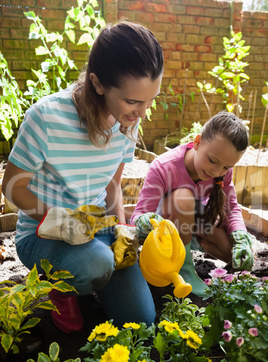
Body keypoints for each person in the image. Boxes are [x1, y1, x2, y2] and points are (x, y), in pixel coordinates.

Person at [2, 20, 164, 333]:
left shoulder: (127, 123)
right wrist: (58, 221)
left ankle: (89, 271)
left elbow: (112, 185)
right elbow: (12, 186)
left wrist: (123, 230)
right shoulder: (47, 117)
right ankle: (61, 288)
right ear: (98, 83)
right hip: (42, 233)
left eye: (149, 101)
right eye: (133, 101)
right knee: (97, 265)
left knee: (141, 322)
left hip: (94, 230)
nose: (141, 113)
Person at [131, 111, 254, 297]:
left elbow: (231, 207)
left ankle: (189, 252)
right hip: (165, 231)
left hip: (195, 222)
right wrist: (146, 221)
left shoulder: (220, 170)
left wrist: (241, 238)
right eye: (213, 161)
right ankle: (183, 268)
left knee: (235, 256)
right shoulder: (164, 166)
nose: (216, 171)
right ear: (197, 142)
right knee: (183, 199)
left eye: (226, 167)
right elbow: (139, 214)